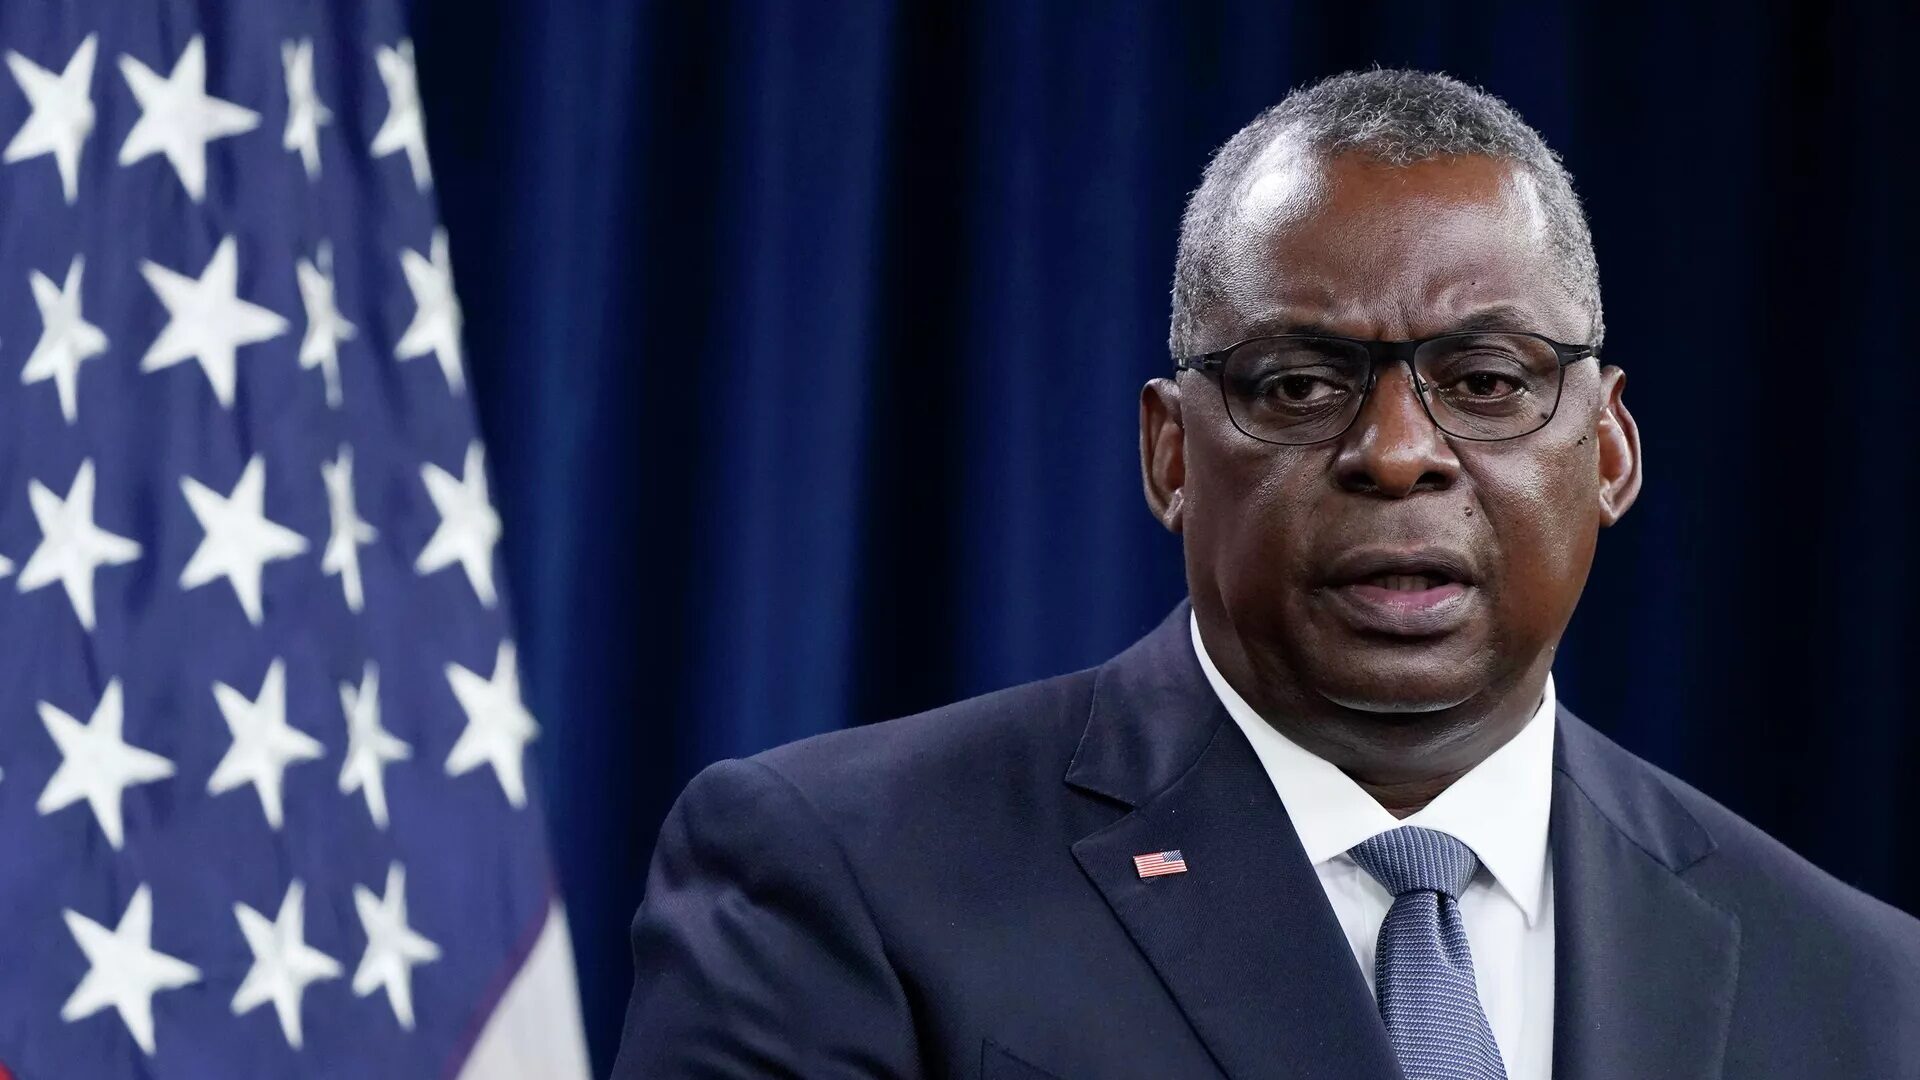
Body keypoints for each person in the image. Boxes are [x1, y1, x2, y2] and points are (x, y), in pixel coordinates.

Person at [610, 69, 1920, 1079]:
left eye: (1485, 381)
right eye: (1298, 385)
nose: (1398, 454)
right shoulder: (842, 878)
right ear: (1172, 454)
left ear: (1612, 452)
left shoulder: (1865, 989)